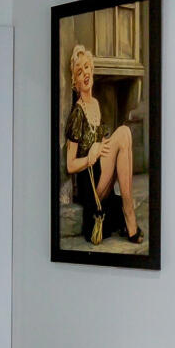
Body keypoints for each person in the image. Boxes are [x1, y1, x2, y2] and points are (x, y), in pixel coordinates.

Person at [62, 43, 143, 247]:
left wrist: (102, 145)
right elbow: (70, 165)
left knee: (123, 137)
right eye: (79, 72)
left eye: (87, 67)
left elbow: (97, 142)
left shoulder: (96, 104)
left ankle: (127, 213)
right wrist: (91, 155)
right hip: (89, 182)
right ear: (76, 82)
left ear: (92, 69)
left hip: (100, 172)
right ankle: (128, 213)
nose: (85, 74)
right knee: (124, 132)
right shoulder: (77, 114)